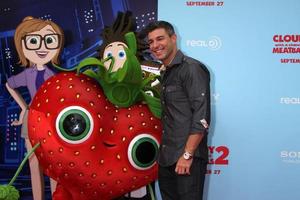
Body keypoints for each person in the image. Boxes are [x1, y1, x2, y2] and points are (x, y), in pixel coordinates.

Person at [144, 21, 211, 200]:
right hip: (167, 158)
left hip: (186, 158)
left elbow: (201, 116)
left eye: (160, 39)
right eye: (151, 42)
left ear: (173, 38)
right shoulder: (166, 72)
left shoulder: (191, 68)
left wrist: (187, 155)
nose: (155, 45)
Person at [6, 16, 64, 200]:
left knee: (53, 164)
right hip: (31, 121)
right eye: (33, 41)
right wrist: (24, 108)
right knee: (33, 163)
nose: (42, 47)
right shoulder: (27, 74)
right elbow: (9, 85)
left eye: (49, 40)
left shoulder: (52, 75)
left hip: (50, 122)